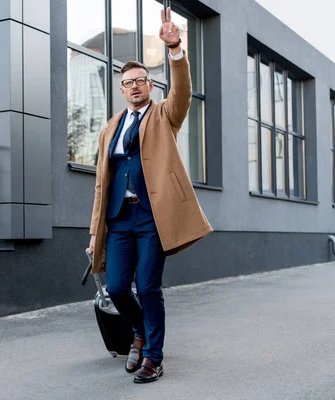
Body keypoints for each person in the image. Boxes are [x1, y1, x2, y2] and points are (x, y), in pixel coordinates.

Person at [87, 7, 212, 384]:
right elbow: (100, 185)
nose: (136, 86)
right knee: (117, 288)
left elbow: (184, 93)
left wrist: (175, 49)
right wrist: (95, 234)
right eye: (129, 82)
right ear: (122, 89)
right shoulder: (109, 129)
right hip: (118, 219)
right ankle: (139, 333)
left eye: (142, 80)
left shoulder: (164, 115)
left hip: (152, 216)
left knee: (149, 284)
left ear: (151, 86)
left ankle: (153, 357)